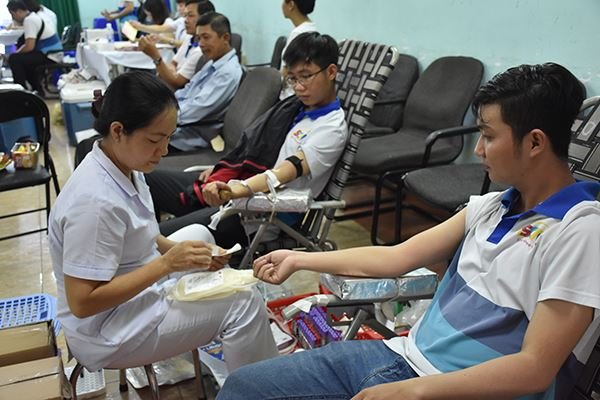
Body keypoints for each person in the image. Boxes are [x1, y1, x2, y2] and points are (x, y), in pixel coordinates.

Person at [216, 63, 600, 399]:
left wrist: (414, 390)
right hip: (401, 359)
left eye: (488, 135)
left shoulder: (579, 232)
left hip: (449, 389)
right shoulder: (491, 206)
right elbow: (397, 256)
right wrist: (299, 258)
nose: (478, 150)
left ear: (535, 142)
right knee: (243, 387)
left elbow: (535, 368)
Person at [48, 71, 278, 373]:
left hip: (128, 300)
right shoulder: (94, 203)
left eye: (168, 138)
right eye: (155, 140)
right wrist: (167, 264)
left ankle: (218, 345)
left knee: (200, 236)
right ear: (118, 131)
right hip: (106, 331)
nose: (164, 150)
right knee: (243, 302)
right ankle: (260, 388)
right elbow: (83, 302)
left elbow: (142, 231)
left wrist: (185, 254)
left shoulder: (124, 164)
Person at [146, 32, 348, 249]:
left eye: (306, 76)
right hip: (238, 188)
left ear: (331, 72)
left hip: (257, 214)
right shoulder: (294, 109)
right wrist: (223, 170)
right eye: (293, 78)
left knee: (153, 241)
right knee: (147, 179)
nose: (298, 87)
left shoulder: (330, 129)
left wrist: (235, 190)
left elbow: (284, 172)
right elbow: (252, 148)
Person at [167, 11, 242, 151]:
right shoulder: (212, 63)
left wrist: (158, 117)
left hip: (192, 134)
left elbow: (197, 109)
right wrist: (163, 105)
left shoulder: (227, 73)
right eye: (199, 38)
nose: (201, 44)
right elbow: (186, 91)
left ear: (225, 38)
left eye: (206, 37)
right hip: (180, 124)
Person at [138, 0, 214, 90]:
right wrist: (172, 73)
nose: (185, 20)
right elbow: (173, 62)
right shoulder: (189, 38)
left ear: (205, 18)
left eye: (190, 16)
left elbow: (176, 83)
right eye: (185, 16)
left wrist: (156, 57)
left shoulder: (200, 50)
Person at [6, 0, 62, 94]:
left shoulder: (29, 21)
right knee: (22, 59)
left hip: (50, 55)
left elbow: (29, 47)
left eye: (12, 14)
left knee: (14, 59)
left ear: (18, 11)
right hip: (51, 53)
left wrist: (14, 54)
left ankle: (20, 92)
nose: (13, 18)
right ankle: (36, 90)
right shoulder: (32, 17)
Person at [279, 0, 317, 99]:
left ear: (291, 5)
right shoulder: (311, 28)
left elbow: (287, 71)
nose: (282, 5)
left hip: (289, 97)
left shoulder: (298, 34)